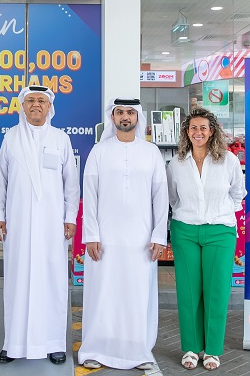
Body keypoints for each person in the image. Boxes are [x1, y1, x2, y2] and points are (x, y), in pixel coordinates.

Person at [78, 98, 169, 371]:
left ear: (138, 117)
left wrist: (158, 235)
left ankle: (137, 351)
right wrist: (91, 234)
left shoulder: (151, 152)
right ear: (113, 117)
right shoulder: (99, 151)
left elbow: (160, 196)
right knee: (102, 294)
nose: (125, 116)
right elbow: (89, 195)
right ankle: (95, 349)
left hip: (141, 240)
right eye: (120, 112)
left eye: (130, 112)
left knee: (137, 295)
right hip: (105, 239)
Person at [0, 85, 80, 365]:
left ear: (49, 107)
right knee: (17, 281)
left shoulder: (60, 139)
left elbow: (71, 184)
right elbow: (0, 181)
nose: (35, 104)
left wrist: (70, 217)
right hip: (18, 223)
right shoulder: (11, 137)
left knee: (53, 280)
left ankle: (54, 343)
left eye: (41, 100)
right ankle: (13, 343)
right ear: (22, 105)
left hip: (52, 225)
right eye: (30, 100)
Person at [166, 107, 246, 371]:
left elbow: (238, 194)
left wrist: (220, 213)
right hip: (185, 230)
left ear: (212, 131)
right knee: (189, 291)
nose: (198, 132)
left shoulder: (228, 161)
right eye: (193, 128)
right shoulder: (176, 164)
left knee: (216, 291)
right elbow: (173, 197)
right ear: (186, 132)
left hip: (220, 231)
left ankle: (212, 350)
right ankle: (191, 348)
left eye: (203, 128)